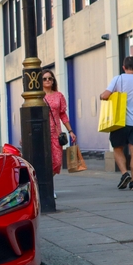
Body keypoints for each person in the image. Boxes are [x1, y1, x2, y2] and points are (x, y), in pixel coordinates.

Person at [100, 56, 133, 191]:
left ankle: (124, 174)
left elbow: (104, 96)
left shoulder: (118, 79)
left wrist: (107, 95)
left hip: (120, 121)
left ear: (123, 67)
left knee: (118, 148)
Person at [42, 70, 76, 199]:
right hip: (42, 133)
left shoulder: (58, 96)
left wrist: (70, 131)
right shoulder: (38, 97)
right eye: (44, 79)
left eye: (50, 78)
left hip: (56, 133)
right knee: (45, 161)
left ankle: (45, 184)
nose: (47, 81)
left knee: (56, 162)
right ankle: (47, 188)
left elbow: (62, 114)